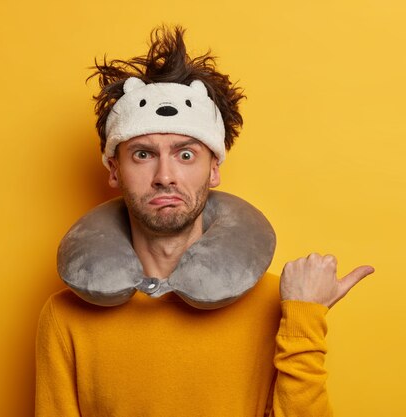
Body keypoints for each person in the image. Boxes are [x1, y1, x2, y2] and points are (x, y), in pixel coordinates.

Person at [35, 26, 374, 417]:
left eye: (185, 155)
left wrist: (304, 321)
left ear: (214, 169)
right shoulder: (65, 315)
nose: (165, 175)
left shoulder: (275, 303)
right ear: (114, 170)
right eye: (143, 154)